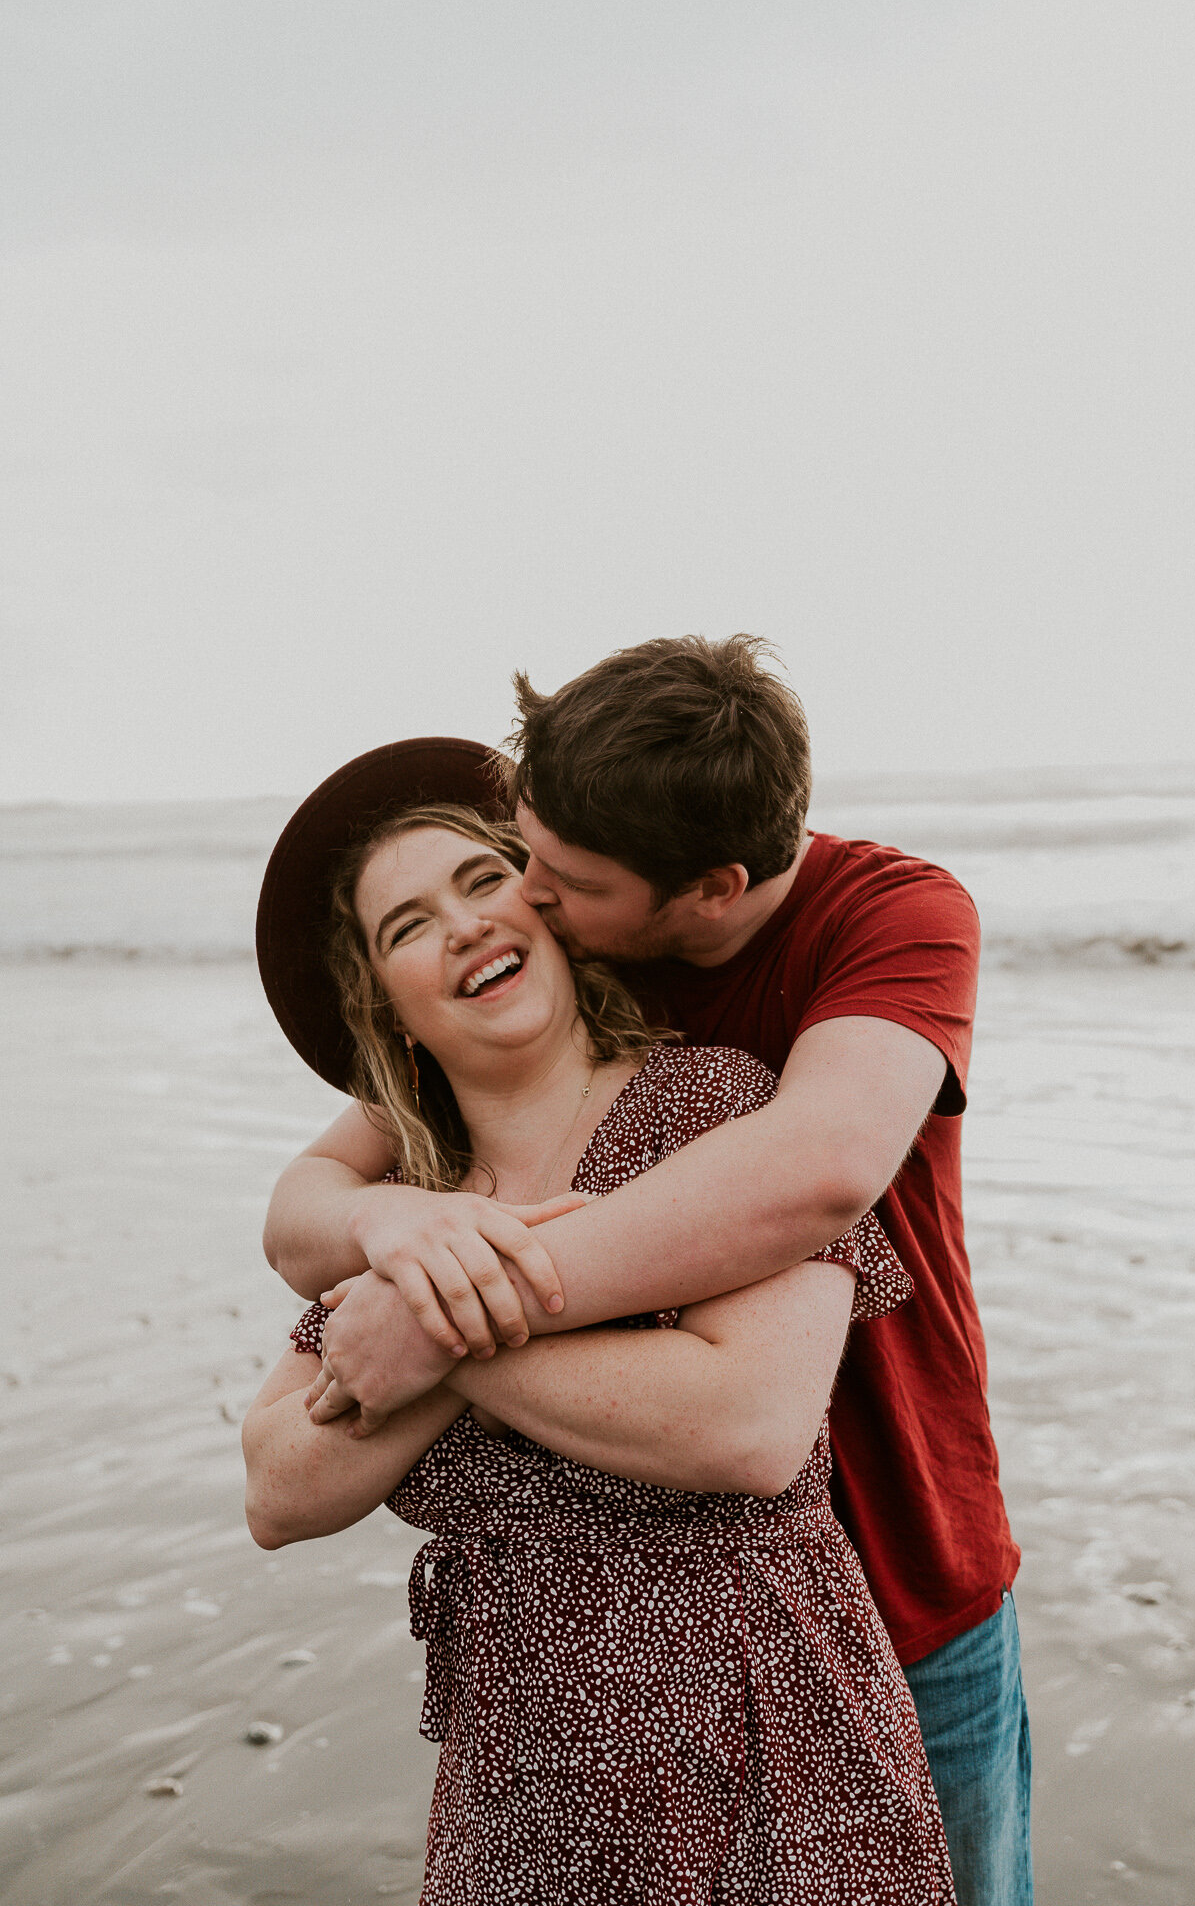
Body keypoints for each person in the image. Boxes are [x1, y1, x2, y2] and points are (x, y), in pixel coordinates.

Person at [262, 638, 1031, 1906]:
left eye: (548, 879)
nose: (523, 902)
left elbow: (816, 1172)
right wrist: (402, 1236)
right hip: (537, 1750)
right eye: (521, 862)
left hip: (894, 1552)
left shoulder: (885, 919)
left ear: (708, 893)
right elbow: (306, 1211)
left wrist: (452, 1320)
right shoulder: (572, 952)